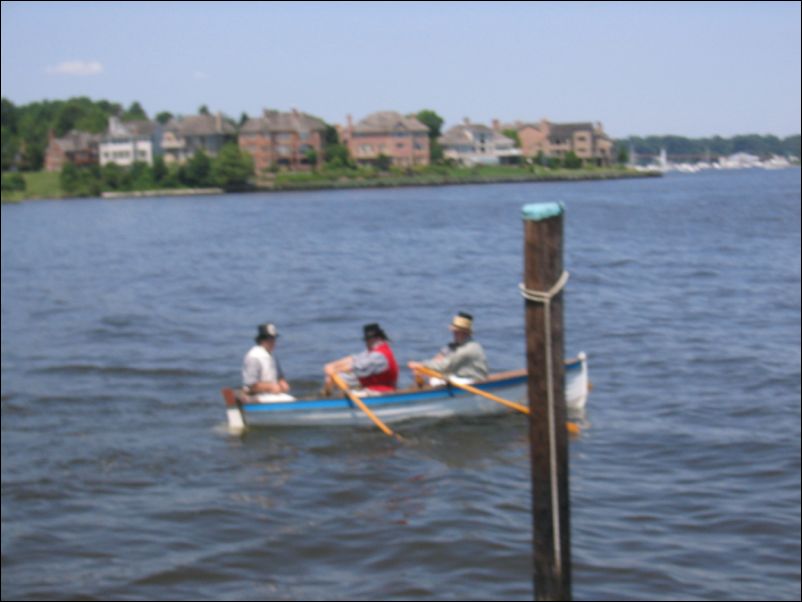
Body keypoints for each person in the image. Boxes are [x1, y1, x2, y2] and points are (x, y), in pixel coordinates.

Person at [408, 312, 489, 384]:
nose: (453, 334)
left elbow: (445, 366)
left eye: (456, 332)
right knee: (432, 377)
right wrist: (423, 370)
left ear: (464, 333)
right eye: (453, 332)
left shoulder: (466, 350)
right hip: (462, 376)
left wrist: (421, 365)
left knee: (435, 381)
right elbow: (438, 359)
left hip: (473, 380)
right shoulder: (456, 345)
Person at [324, 323, 399, 395]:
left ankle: (327, 398)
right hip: (371, 390)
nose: (366, 343)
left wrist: (335, 371)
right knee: (333, 379)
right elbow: (354, 359)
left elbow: (357, 367)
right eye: (366, 340)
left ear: (377, 338)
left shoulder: (379, 356)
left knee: (337, 379)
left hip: (380, 392)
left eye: (368, 340)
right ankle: (327, 395)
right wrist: (333, 365)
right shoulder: (373, 352)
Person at [242, 323, 293, 401]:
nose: (273, 341)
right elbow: (251, 385)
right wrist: (270, 387)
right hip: (256, 396)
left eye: (274, 338)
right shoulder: (254, 357)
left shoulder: (272, 355)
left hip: (271, 394)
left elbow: (280, 376)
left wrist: (282, 383)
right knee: (289, 401)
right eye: (270, 339)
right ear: (262, 340)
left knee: (291, 400)